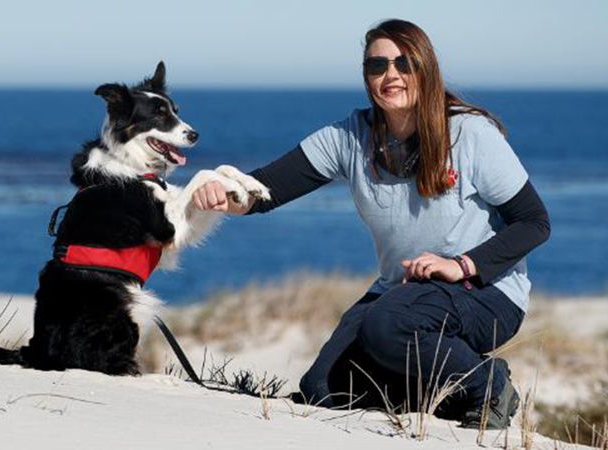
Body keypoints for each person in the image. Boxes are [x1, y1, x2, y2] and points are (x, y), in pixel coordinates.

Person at [191, 19, 550, 429]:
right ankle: (444, 398)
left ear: (425, 69)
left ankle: (488, 384)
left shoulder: (469, 134)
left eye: (404, 63)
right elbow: (266, 189)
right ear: (366, 76)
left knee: (388, 326)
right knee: (321, 389)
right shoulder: (349, 137)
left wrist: (463, 264)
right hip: (402, 292)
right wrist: (222, 191)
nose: (391, 75)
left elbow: (534, 222)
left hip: (486, 293)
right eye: (377, 66)